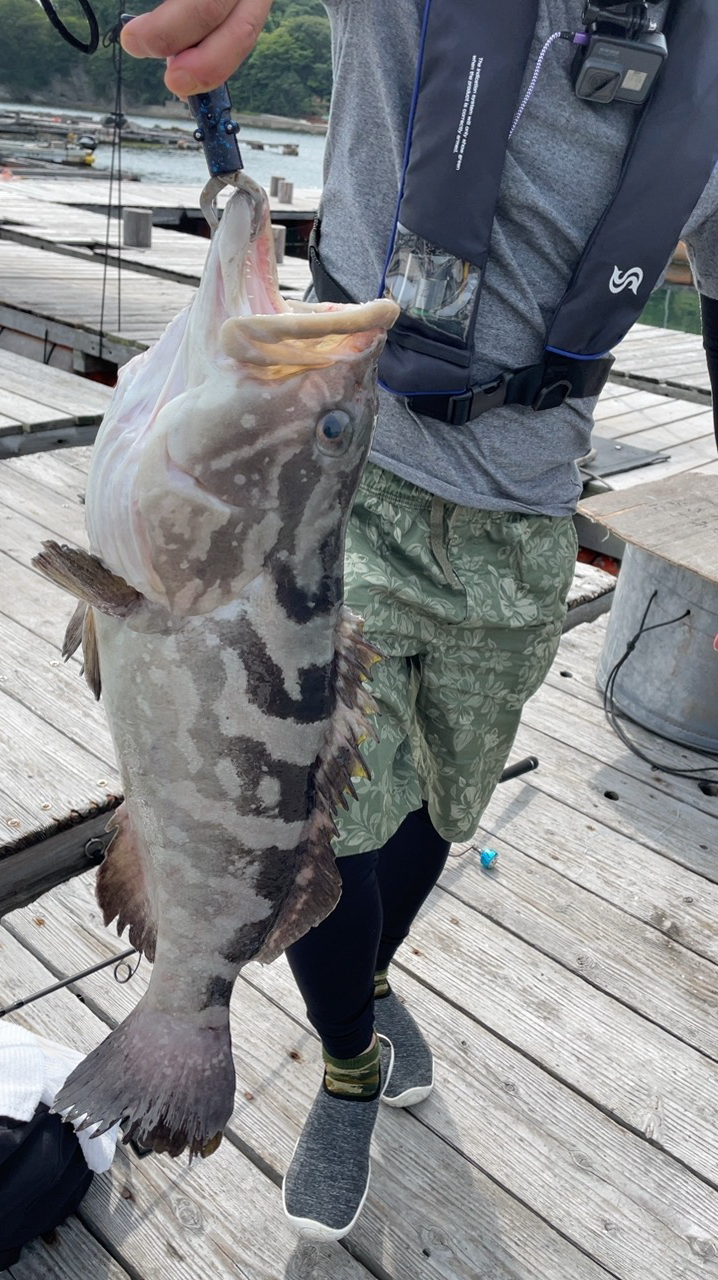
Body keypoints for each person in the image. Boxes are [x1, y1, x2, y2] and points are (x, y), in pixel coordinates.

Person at [123, 0, 718, 1243]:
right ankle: (348, 1062)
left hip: (530, 519)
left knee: (439, 803)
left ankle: (372, 982)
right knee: (316, 821)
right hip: (341, 483)